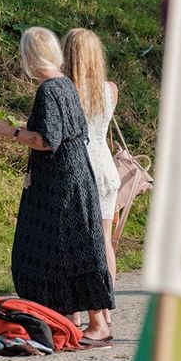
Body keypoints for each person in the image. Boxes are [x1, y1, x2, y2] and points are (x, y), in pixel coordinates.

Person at [0, 27, 114, 345]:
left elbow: (47, 140)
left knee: (66, 248)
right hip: (73, 176)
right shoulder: (65, 84)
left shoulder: (48, 90)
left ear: (30, 56)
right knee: (70, 250)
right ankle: (69, 320)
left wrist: (12, 132)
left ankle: (97, 324)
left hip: (61, 182)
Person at [64, 27, 122, 290]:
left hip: (79, 166)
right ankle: (106, 301)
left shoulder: (66, 91)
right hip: (106, 166)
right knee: (105, 240)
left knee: (76, 243)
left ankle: (80, 301)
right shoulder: (110, 90)